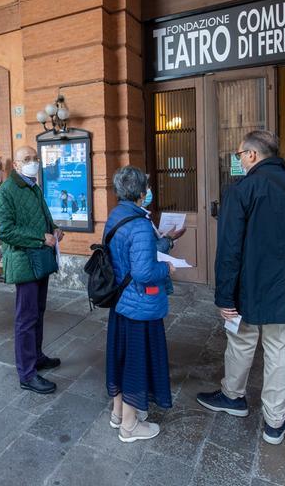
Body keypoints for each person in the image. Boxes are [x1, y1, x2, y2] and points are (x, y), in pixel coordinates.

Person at [197, 130, 285, 446]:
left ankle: (233, 396)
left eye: (240, 154)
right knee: (280, 353)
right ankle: (274, 423)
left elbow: (229, 248)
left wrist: (224, 296)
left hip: (247, 289)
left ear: (251, 155)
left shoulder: (241, 190)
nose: (239, 159)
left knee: (240, 343)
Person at [105, 166, 174, 443]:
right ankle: (130, 426)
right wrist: (167, 270)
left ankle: (118, 412)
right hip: (139, 305)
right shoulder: (140, 224)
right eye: (147, 188)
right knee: (136, 361)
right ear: (141, 193)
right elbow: (144, 273)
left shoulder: (116, 215)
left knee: (122, 357)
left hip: (121, 302)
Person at [0, 146, 63, 394]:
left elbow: (42, 216)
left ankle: (37, 356)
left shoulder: (33, 186)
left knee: (38, 312)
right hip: (24, 261)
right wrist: (40, 238)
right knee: (26, 318)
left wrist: (53, 229)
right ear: (16, 165)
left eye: (35, 159)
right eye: (27, 159)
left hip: (40, 258)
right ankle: (27, 373)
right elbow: (4, 230)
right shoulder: (6, 191)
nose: (33, 163)